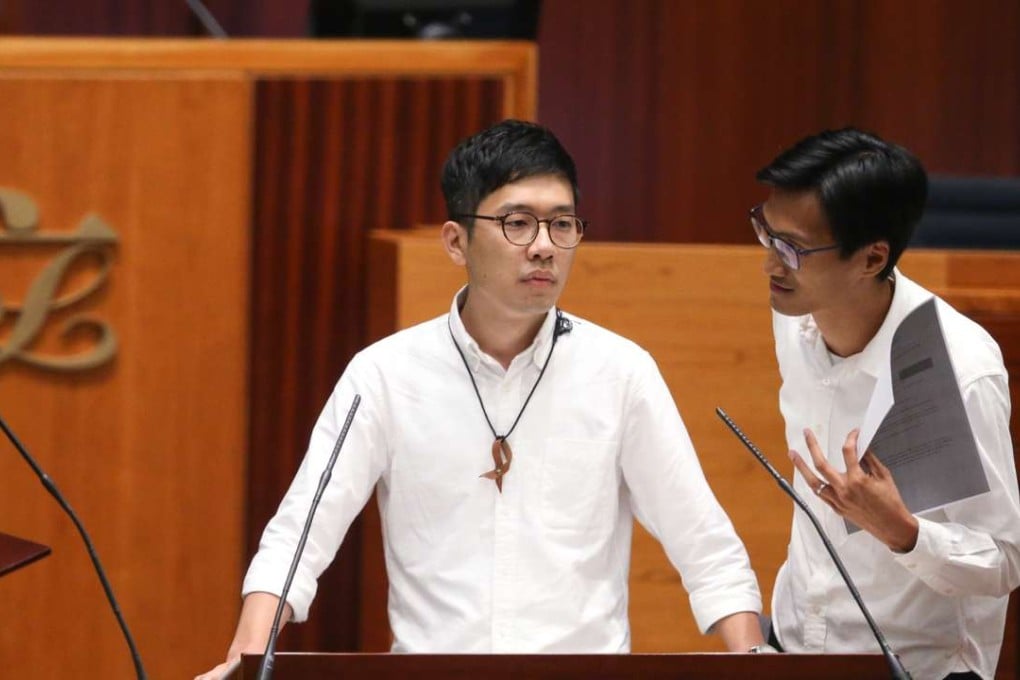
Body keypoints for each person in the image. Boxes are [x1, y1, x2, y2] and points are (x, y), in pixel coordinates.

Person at [197, 119, 764, 678]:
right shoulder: (385, 375)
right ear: (456, 240)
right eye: (518, 223)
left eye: (562, 224)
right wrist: (241, 663)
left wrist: (754, 663)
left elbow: (705, 547)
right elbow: (298, 539)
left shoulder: (620, 373)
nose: (544, 247)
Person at [753, 127, 1020, 679]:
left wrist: (903, 531)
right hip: (795, 646)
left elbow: (1005, 560)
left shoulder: (958, 370)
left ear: (872, 258)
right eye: (766, 232)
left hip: (915, 668)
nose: (771, 265)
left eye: (793, 249)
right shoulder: (795, 317)